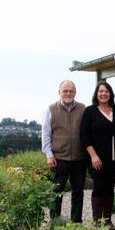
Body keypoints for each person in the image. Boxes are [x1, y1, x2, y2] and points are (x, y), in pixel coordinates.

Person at [41, 79, 87, 222]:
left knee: (78, 192)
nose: (68, 93)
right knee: (56, 192)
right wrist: (49, 155)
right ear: (59, 92)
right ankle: (55, 222)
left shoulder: (82, 108)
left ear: (75, 92)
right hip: (58, 159)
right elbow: (46, 134)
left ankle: (76, 223)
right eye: (65, 91)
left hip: (79, 158)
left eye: (71, 91)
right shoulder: (50, 109)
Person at [80, 81, 115, 230]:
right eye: (101, 91)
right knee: (99, 187)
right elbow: (84, 134)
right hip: (96, 158)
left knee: (110, 188)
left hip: (114, 158)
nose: (104, 94)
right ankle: (97, 221)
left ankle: (107, 220)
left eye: (106, 91)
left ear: (110, 94)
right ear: (96, 94)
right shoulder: (90, 111)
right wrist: (93, 155)